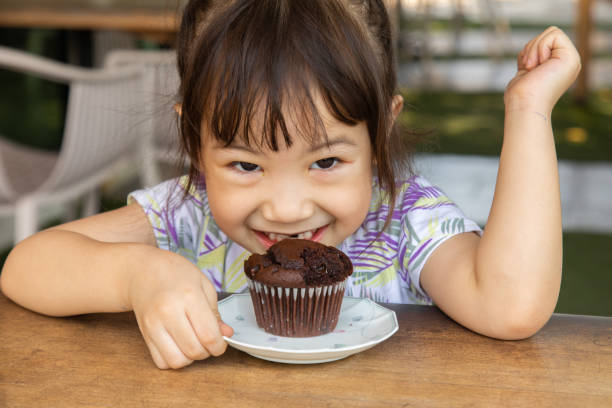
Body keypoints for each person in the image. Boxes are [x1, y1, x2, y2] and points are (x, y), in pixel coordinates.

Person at [0, 0, 581, 370]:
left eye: (325, 162)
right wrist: (136, 274)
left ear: (380, 133)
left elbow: (511, 308)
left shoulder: (404, 219)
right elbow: (26, 265)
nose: (285, 208)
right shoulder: (188, 215)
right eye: (245, 166)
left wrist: (528, 111)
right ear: (195, 140)